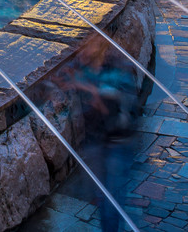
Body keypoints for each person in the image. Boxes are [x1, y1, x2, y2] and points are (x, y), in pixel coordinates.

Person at [64, 37, 140, 232]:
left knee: (111, 202)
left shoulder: (118, 69)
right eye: (82, 46)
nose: (82, 51)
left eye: (88, 46)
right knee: (100, 196)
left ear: (101, 47)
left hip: (118, 143)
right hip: (96, 142)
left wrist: (92, 90)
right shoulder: (83, 67)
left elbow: (117, 104)